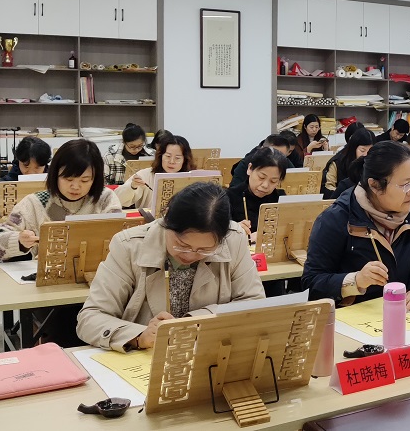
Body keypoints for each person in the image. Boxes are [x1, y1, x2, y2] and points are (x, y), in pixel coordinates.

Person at [76, 183, 265, 352]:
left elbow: (254, 304)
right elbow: (91, 318)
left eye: (204, 250)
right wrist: (139, 336)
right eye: (181, 245)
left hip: (208, 353)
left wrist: (195, 321)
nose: (190, 255)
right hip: (144, 359)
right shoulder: (129, 246)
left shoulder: (234, 239)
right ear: (165, 219)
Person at [303, 141, 410, 307]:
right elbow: (312, 283)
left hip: (401, 313)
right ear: (375, 185)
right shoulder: (337, 218)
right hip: (352, 318)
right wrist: (356, 280)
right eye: (405, 185)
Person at [0, 139, 122, 261]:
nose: (75, 187)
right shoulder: (35, 203)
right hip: (47, 276)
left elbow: (120, 239)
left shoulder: (105, 199)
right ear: (55, 174)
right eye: (68, 179)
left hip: (97, 274)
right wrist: (19, 241)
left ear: (95, 178)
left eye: (85, 180)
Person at [0, 136, 51, 221]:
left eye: (37, 168)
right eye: (26, 166)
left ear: (45, 164)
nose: (31, 172)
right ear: (18, 161)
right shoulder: (11, 179)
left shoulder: (54, 179)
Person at [115, 134, 194, 209]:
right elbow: (117, 199)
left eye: (177, 158)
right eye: (168, 156)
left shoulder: (191, 178)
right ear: (160, 156)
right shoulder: (145, 175)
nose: (172, 161)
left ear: (185, 160)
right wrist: (132, 186)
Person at [226, 147, 289, 237]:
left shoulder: (280, 199)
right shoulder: (228, 197)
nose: (265, 185)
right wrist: (233, 229)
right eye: (261, 177)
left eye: (273, 181)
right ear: (250, 169)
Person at [230, 132, 297, 188]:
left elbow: (296, 179)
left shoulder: (285, 162)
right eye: (272, 154)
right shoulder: (247, 162)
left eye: (281, 156)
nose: (276, 158)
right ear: (262, 149)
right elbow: (234, 189)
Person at [321, 129, 374, 198]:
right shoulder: (337, 163)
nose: (366, 155)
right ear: (353, 148)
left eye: (370, 151)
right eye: (362, 150)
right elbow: (329, 187)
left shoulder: (375, 163)